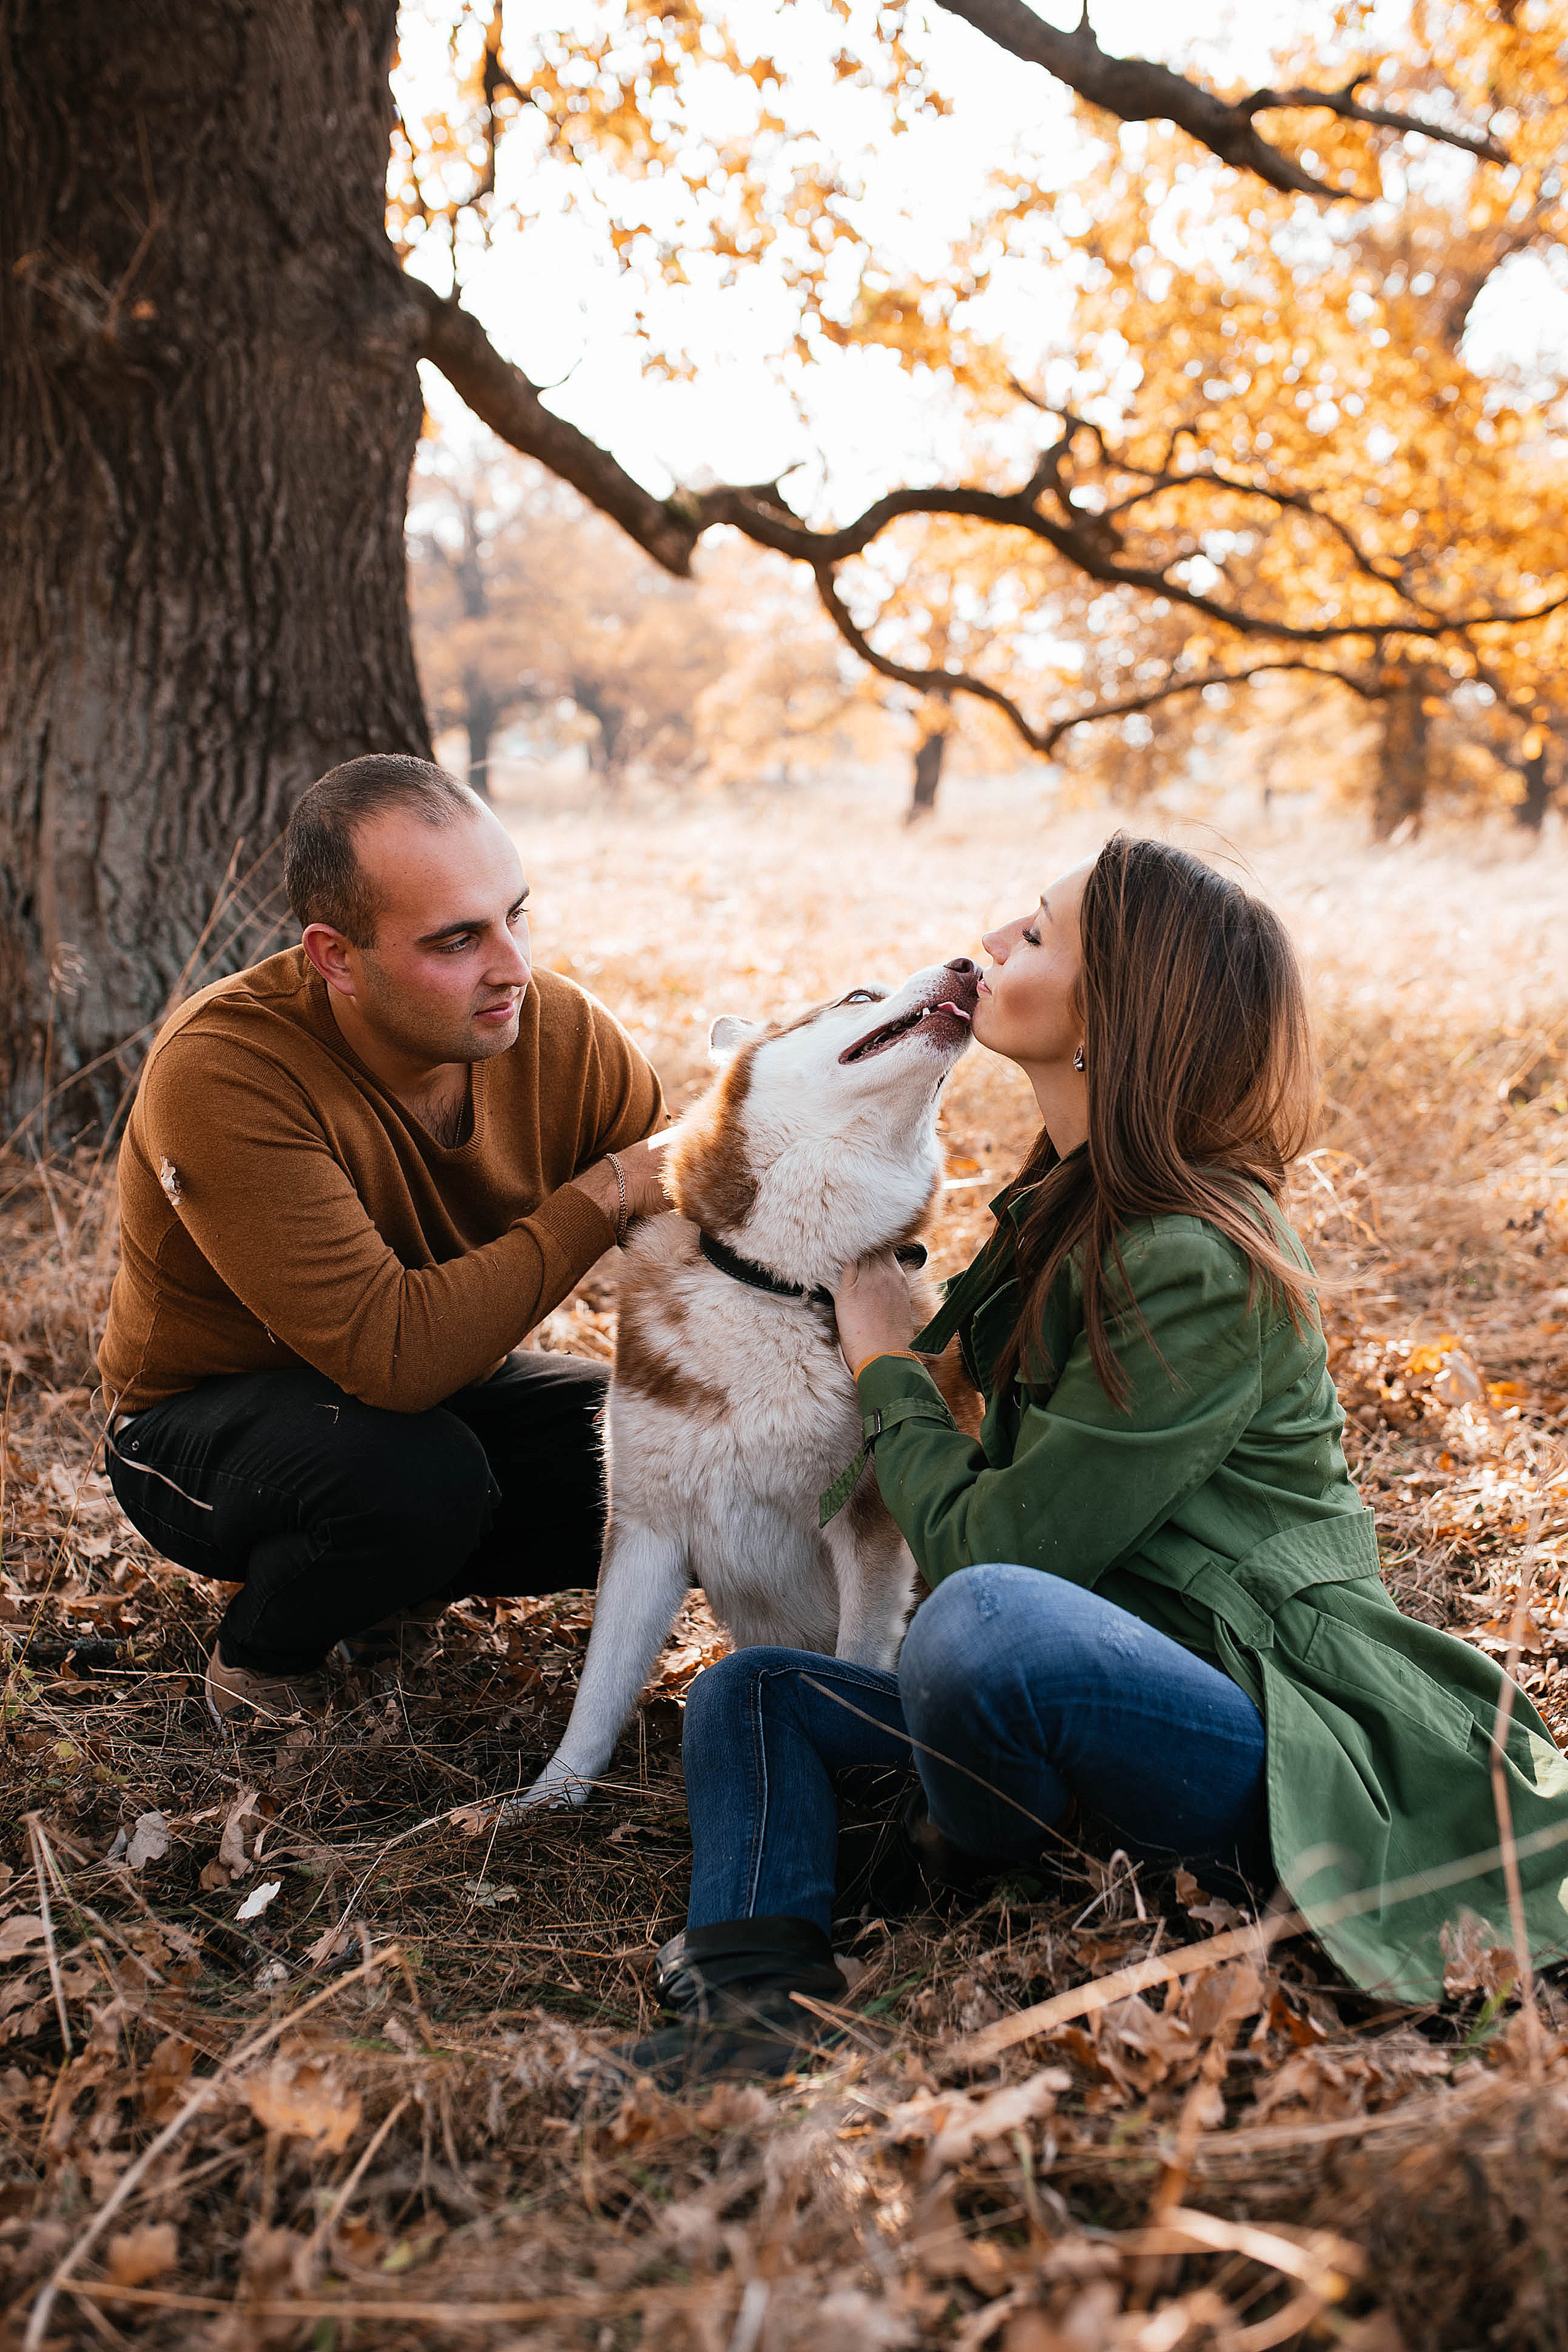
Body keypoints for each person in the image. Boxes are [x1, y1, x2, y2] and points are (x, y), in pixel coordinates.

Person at [627, 835, 1568, 2081]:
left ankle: (958, 1859)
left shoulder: (1196, 1254)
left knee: (981, 1623)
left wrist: (883, 1368)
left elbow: (997, 1551)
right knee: (752, 1693)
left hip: (1248, 1724)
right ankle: (752, 2000)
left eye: (1037, 931)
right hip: (1090, 1687)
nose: (996, 937)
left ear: (1107, 1016)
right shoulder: (1065, 1205)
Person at [99, 755, 670, 1727]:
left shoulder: (560, 1031)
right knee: (416, 1483)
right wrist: (604, 1192)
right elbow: (395, 1358)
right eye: (456, 941)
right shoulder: (225, 1068)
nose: (513, 967)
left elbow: (690, 1232)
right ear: (334, 957)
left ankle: (389, 1580)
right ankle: (267, 1651)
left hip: (435, 1395)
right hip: (197, 1427)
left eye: (515, 915)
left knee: (665, 1452)